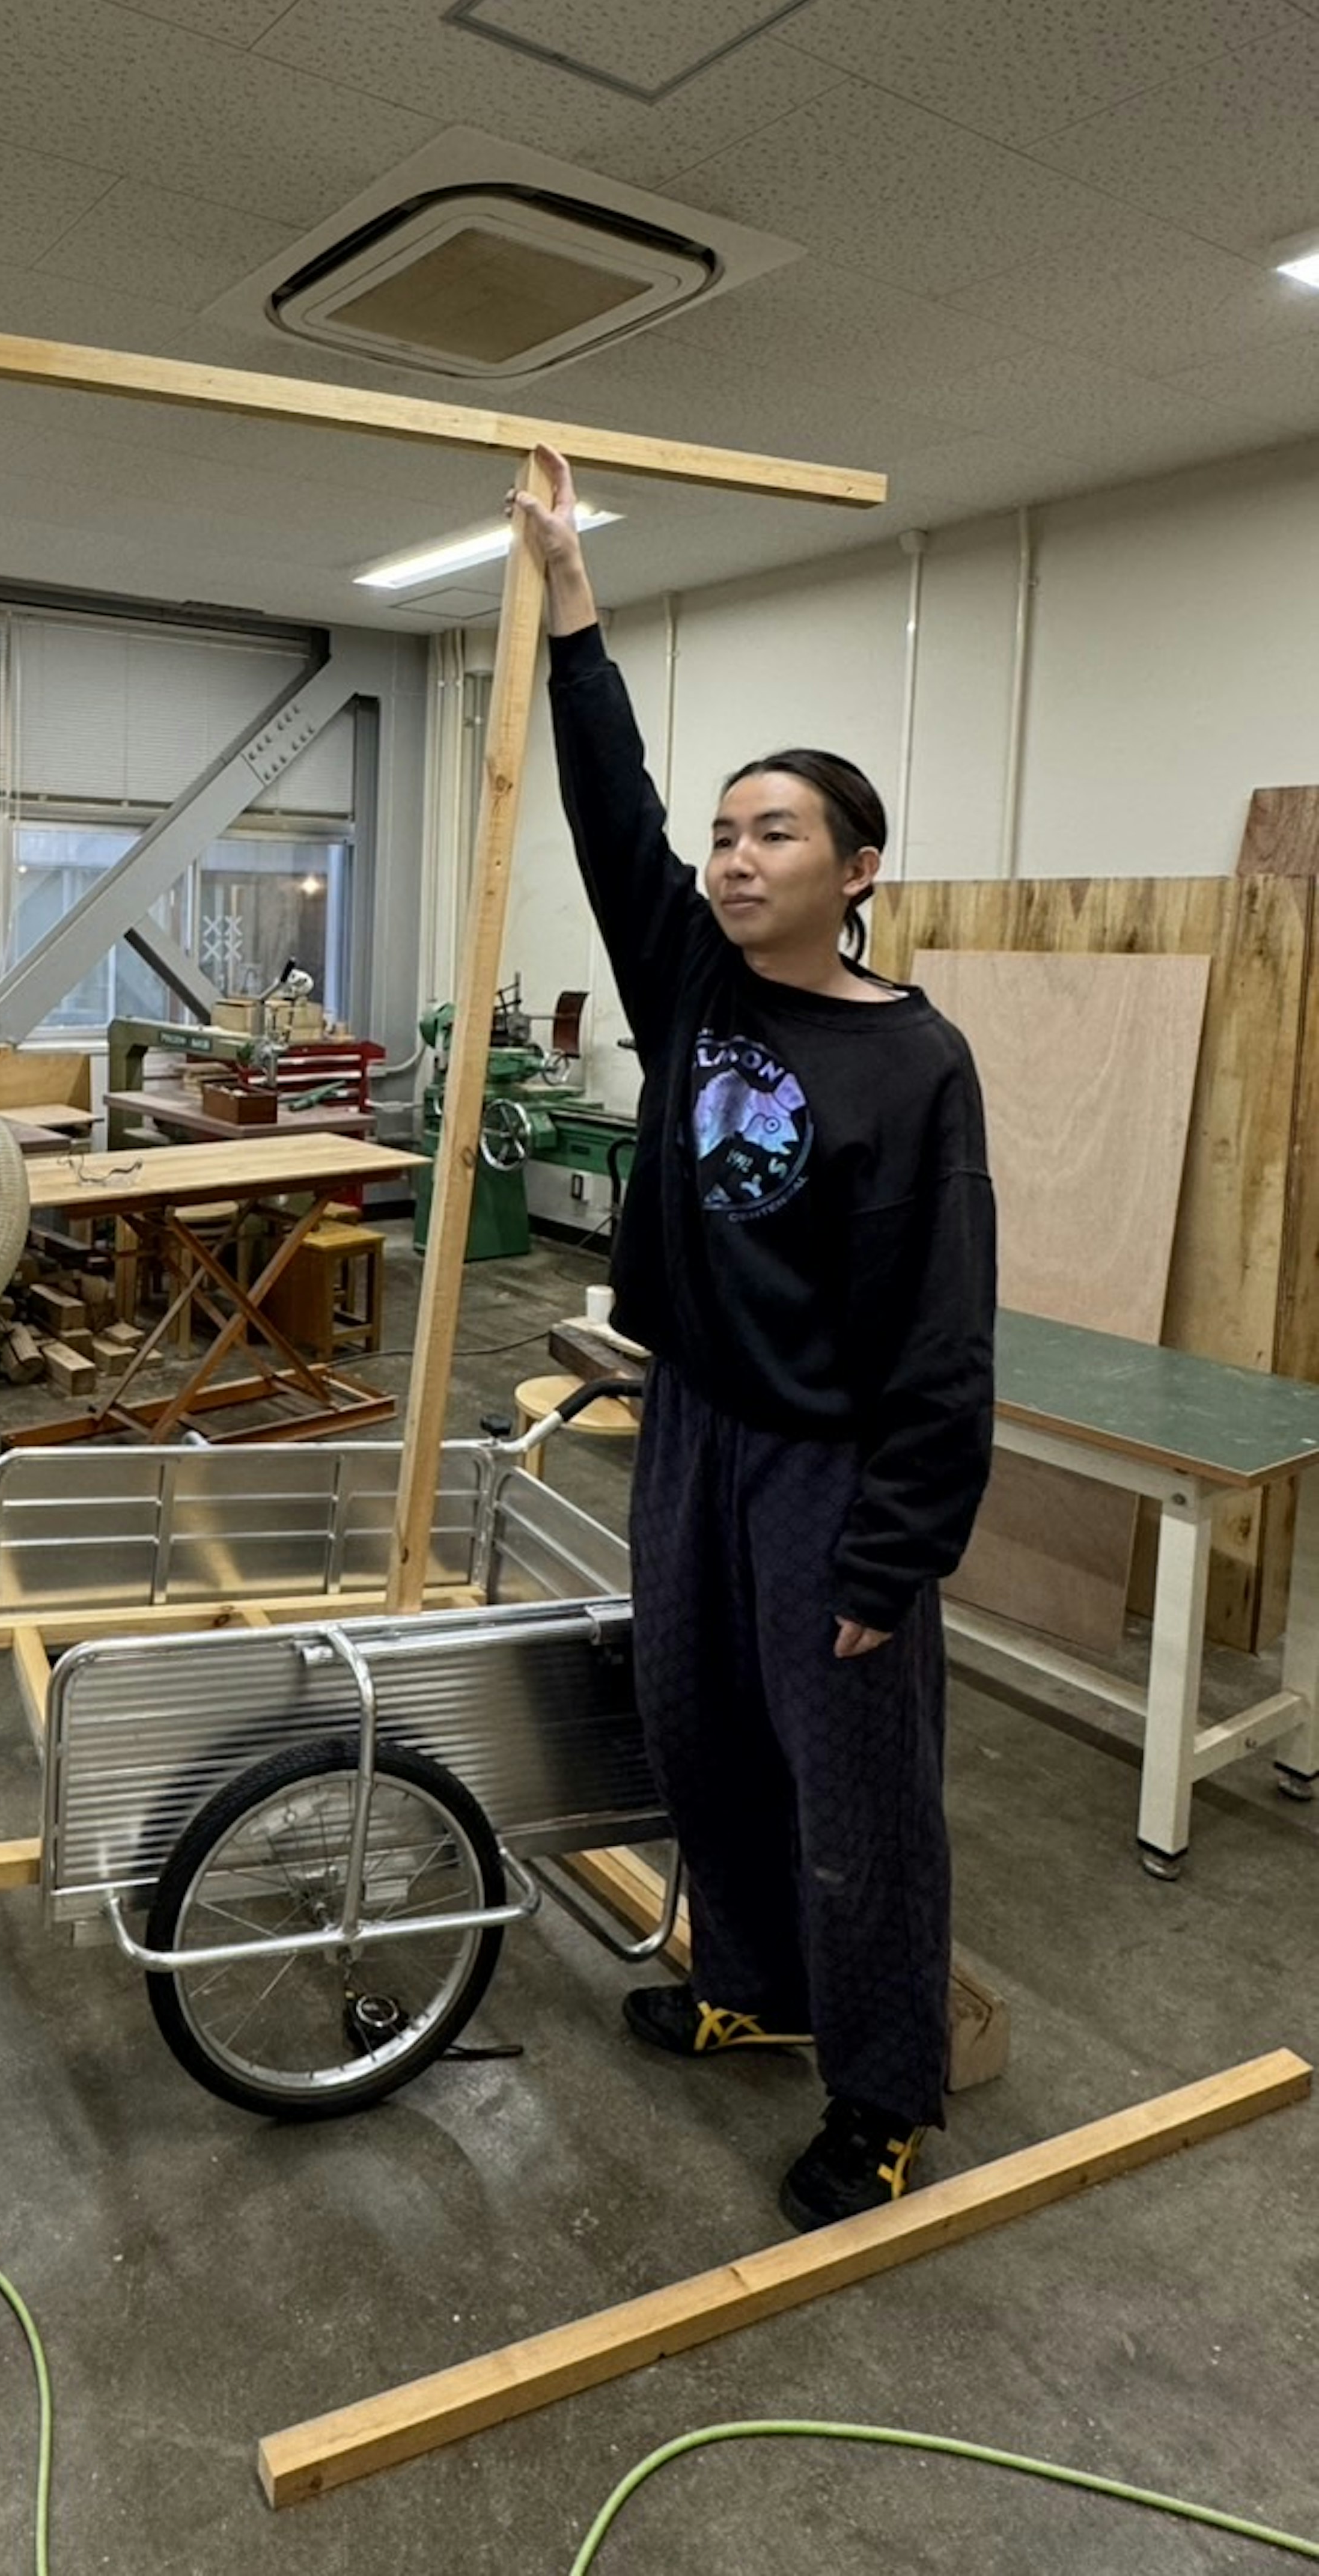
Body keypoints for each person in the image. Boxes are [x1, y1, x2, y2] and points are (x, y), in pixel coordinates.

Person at [513, 448, 995, 2230]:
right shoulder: (692, 981)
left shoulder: (912, 1065)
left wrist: (896, 1549)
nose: (729, 857)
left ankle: (880, 2093)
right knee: (701, 1730)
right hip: (696, 1418)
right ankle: (759, 1986)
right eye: (723, 833)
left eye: (771, 833)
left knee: (857, 1787)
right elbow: (602, 799)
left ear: (857, 869)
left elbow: (944, 1337)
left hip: (831, 1464)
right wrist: (571, 599)